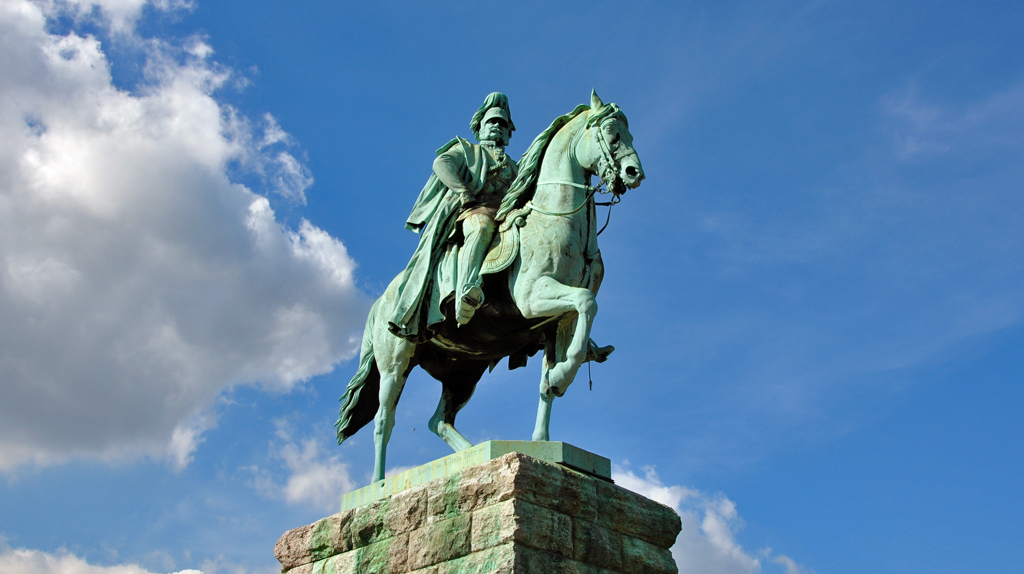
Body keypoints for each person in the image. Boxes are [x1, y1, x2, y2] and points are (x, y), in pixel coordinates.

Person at [388, 93, 518, 341]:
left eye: (503, 125)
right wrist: (463, 191)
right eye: (492, 122)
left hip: (507, 217)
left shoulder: (515, 166)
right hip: (472, 211)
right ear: (479, 127)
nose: (498, 127)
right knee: (481, 227)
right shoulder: (467, 150)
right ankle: (466, 292)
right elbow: (442, 163)